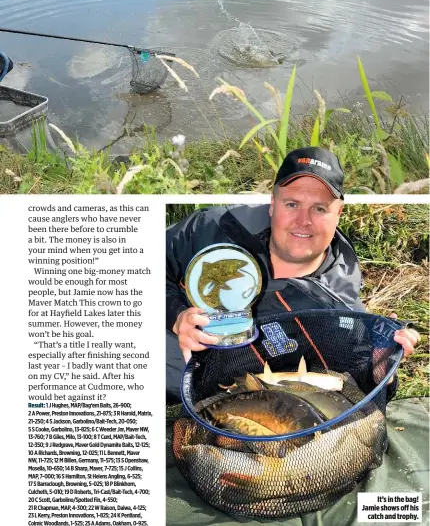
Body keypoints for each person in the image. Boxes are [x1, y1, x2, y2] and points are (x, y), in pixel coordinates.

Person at [166, 146, 420, 402]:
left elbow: (362, 392)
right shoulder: (216, 227)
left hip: (230, 393)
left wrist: (383, 360)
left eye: (319, 208)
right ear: (272, 204)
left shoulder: (339, 311)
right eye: (292, 204)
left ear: (338, 213)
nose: (303, 220)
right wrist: (176, 316)